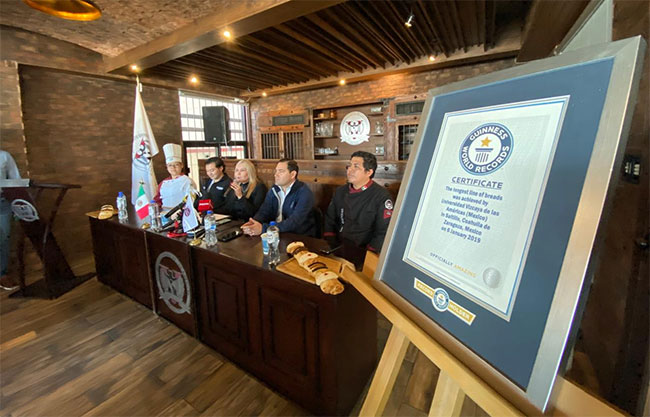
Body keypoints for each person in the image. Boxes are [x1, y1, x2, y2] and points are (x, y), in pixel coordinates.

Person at [324, 151, 393, 253]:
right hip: (338, 246)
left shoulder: (382, 196)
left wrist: (369, 253)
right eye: (349, 166)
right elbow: (330, 219)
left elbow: (383, 231)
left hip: (364, 250)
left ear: (369, 172)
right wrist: (330, 242)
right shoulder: (340, 191)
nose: (350, 170)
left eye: (356, 167)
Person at [241, 159, 316, 237]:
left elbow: (295, 222)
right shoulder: (274, 189)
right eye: (276, 171)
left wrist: (264, 228)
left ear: (292, 174)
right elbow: (264, 211)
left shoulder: (304, 193)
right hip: (276, 233)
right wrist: (253, 223)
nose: (276, 174)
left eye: (281, 171)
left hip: (298, 236)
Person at [153, 143, 197, 212]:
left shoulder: (188, 181)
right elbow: (157, 200)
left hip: (182, 213)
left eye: (176, 165)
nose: (173, 167)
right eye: (170, 165)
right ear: (167, 167)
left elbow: (191, 200)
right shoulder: (163, 183)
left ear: (181, 165)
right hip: (165, 214)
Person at [0, 150, 21, 290]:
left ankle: (2, 275)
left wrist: (18, 205)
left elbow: (16, 181)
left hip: (2, 203)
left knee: (4, 238)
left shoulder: (4, 156)